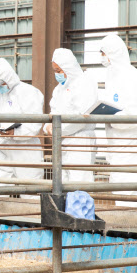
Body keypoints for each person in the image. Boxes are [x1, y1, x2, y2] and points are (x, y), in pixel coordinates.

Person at [100, 33, 137, 207]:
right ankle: (122, 230)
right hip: (117, 145)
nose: (102, 58)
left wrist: (112, 117)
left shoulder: (133, 78)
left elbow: (136, 114)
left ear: (113, 53)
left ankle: (130, 230)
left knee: (130, 192)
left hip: (132, 145)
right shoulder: (112, 78)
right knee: (118, 190)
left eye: (103, 53)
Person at [0, 58, 44, 183]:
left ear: (9, 79)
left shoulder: (28, 92)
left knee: (29, 188)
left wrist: (16, 133)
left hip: (25, 150)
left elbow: (35, 122)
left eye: (2, 84)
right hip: (3, 146)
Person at [43, 48, 98, 183]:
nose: (57, 75)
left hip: (80, 141)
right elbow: (52, 112)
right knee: (61, 182)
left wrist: (57, 129)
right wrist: (48, 127)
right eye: (55, 71)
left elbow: (83, 116)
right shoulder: (59, 89)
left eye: (59, 71)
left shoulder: (84, 83)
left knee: (79, 183)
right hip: (61, 142)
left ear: (68, 67)